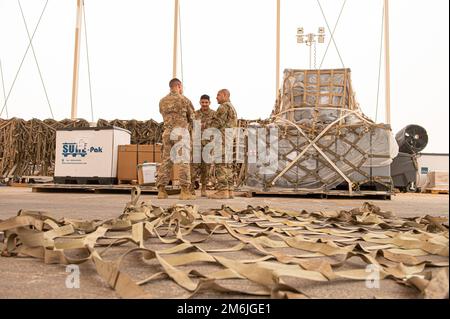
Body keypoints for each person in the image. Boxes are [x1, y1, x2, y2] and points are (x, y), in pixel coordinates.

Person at [156, 78, 196, 200]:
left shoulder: (162, 101)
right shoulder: (184, 100)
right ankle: (184, 191)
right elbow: (192, 118)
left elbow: (162, 115)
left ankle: (161, 191)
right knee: (183, 160)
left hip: (167, 133)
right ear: (179, 86)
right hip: (181, 133)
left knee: (166, 160)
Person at [208, 89, 238, 199]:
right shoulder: (232, 107)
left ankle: (222, 190)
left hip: (222, 139)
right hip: (229, 140)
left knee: (220, 164)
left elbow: (216, 124)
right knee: (228, 165)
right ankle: (230, 190)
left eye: (218, 95)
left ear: (225, 95)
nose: (216, 97)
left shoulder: (223, 107)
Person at [190, 95, 216, 197]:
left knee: (206, 167)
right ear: (200, 102)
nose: (204, 104)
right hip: (197, 144)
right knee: (194, 167)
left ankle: (203, 188)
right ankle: (191, 188)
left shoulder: (214, 114)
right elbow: (190, 126)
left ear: (209, 103)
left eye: (206, 102)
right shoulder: (195, 114)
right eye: (203, 102)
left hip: (208, 144)